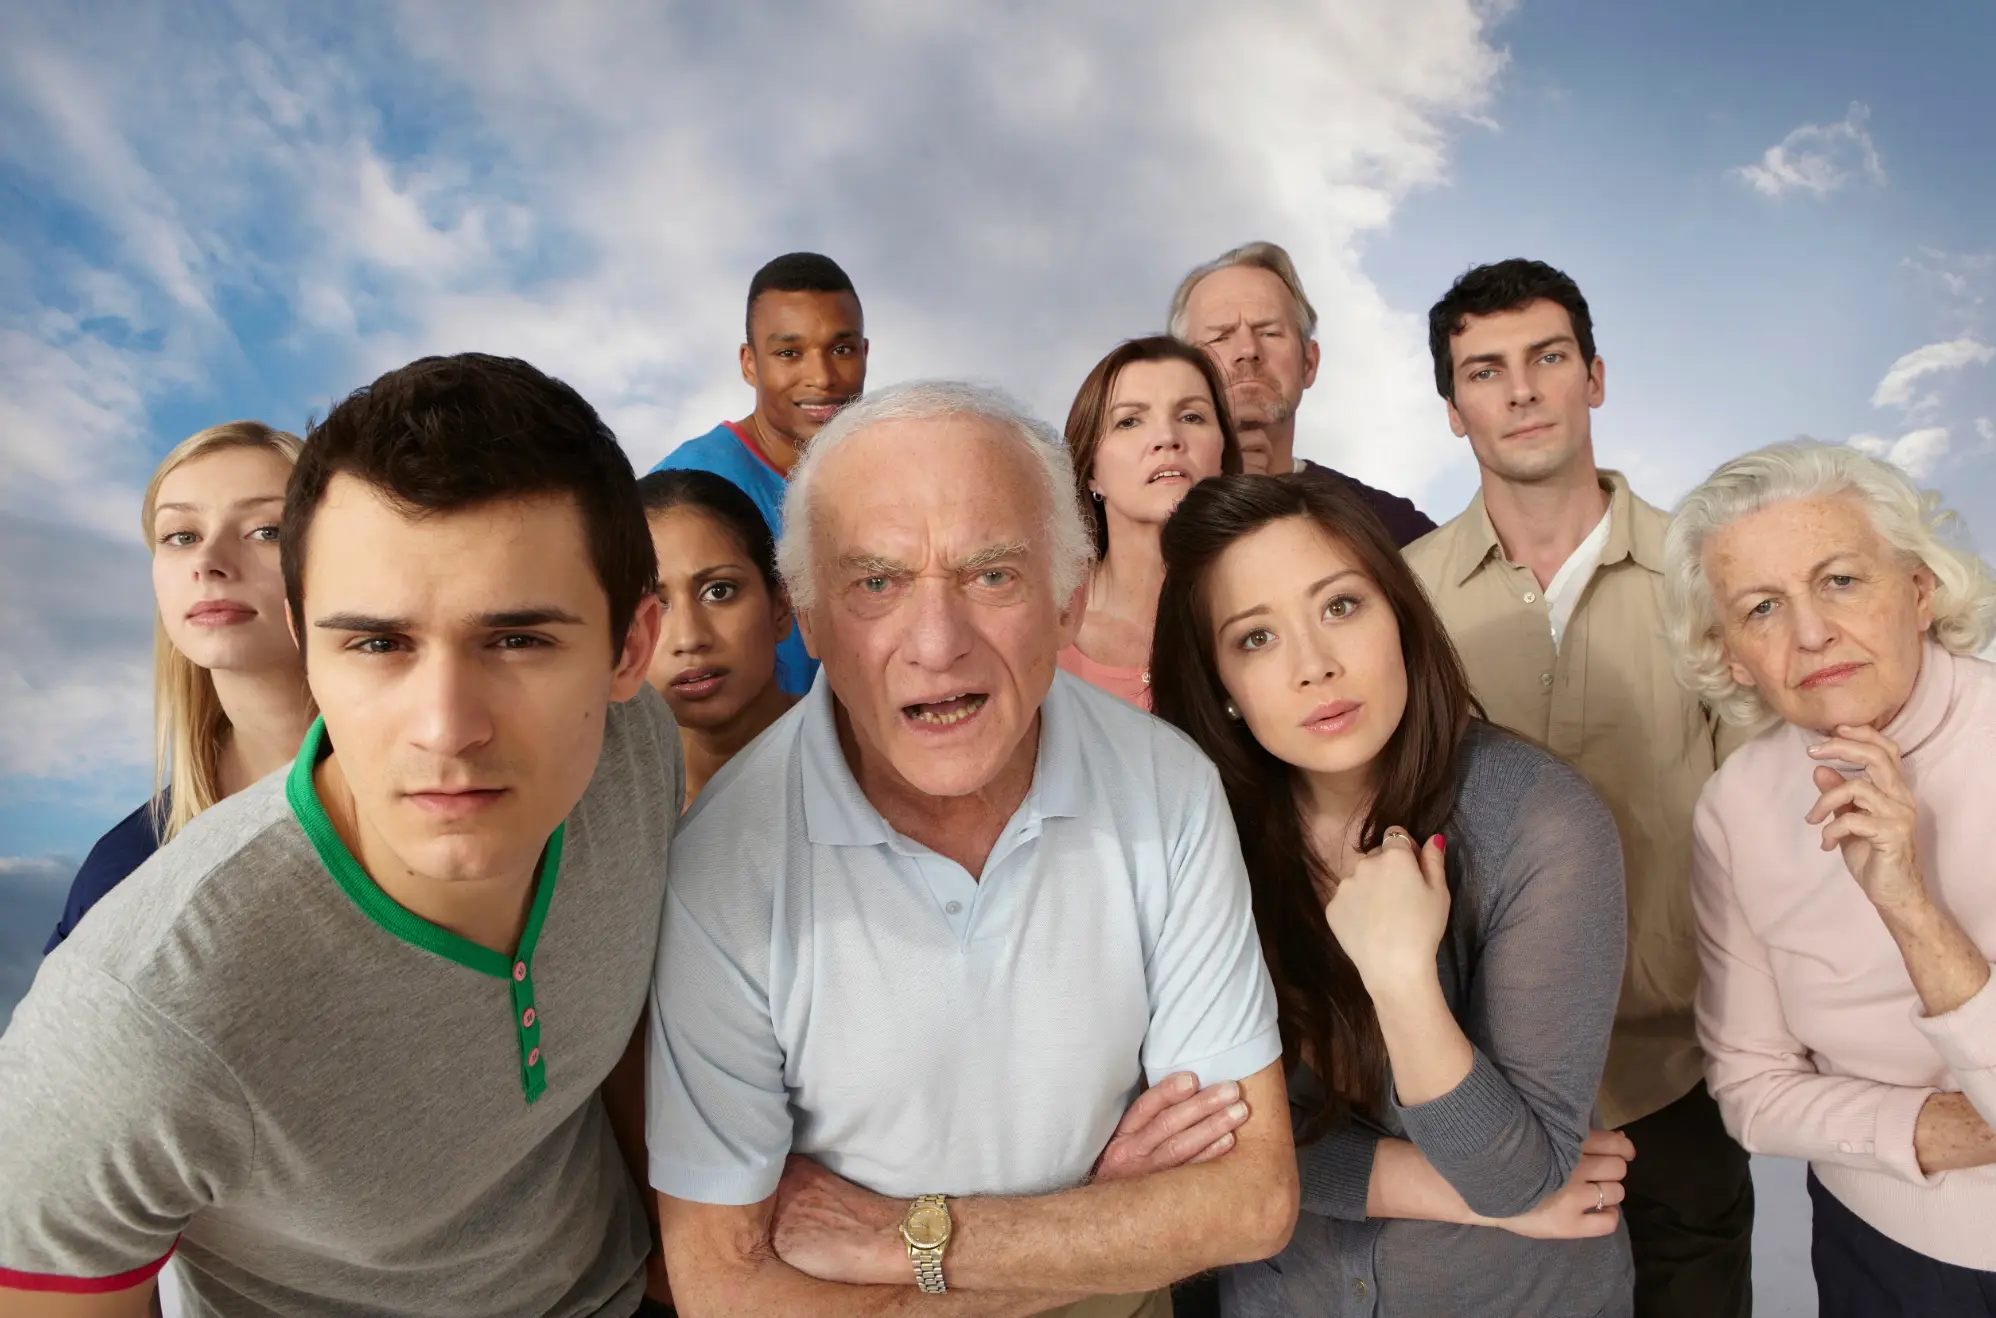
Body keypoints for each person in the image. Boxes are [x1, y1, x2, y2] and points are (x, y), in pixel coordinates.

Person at [0, 354, 680, 1316]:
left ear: (630, 649)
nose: (446, 729)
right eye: (376, 643)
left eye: (518, 640)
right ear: (304, 643)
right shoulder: (140, 1018)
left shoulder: (635, 752)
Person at [646, 381, 1299, 1317]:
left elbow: (1250, 1200)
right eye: (877, 583)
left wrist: (904, 1235)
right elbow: (723, 1285)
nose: (937, 644)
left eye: (992, 575)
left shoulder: (1168, 786)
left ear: (1069, 599)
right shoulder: (720, 862)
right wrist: (1101, 1227)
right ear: (811, 618)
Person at [1150, 470, 1633, 1316]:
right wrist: (1442, 1187)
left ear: (1401, 615)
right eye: (1256, 638)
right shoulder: (1190, 835)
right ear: (1221, 686)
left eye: (1340, 606)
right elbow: (1195, 1141)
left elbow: (1511, 1178)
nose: (1315, 666)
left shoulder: (1542, 822)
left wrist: (1401, 977)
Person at [1403, 258, 1754, 1317]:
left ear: (1593, 377)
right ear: (1453, 408)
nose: (1520, 391)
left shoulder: (1712, 576)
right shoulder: (1400, 599)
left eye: (1547, 358)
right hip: (1478, 1089)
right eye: (1484, 371)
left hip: (1675, 1072)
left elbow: (1766, 822)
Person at [1663, 441, 1996, 1313]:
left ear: (1920, 589)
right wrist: (1928, 1128)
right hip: (1879, 1250)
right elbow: (1751, 1093)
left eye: (1840, 580)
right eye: (1762, 608)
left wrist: (1906, 901)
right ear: (1731, 655)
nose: (1810, 634)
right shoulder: (1736, 806)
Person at [45, 421, 315, 952]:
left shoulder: (455, 800)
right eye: (181, 537)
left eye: (267, 530)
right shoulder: (122, 876)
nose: (208, 562)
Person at [650, 251, 867, 696]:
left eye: (841, 349)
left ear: (864, 354)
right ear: (750, 364)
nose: (822, 377)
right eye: (789, 353)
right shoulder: (687, 491)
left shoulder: (886, 476)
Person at [1167, 241, 1434, 545]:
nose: (1248, 350)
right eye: (1220, 337)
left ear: (1309, 363)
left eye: (1270, 332)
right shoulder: (1146, 516)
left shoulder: (1394, 528)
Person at [1059, 335, 1243, 709]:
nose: (1167, 438)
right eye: (1129, 421)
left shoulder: (1264, 611)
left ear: (1223, 454)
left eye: (1191, 417)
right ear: (1091, 470)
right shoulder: (1039, 626)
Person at [639, 467, 798, 807]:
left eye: (719, 591)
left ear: (782, 607)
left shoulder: (871, 762)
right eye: (652, 606)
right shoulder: (601, 804)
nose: (689, 638)